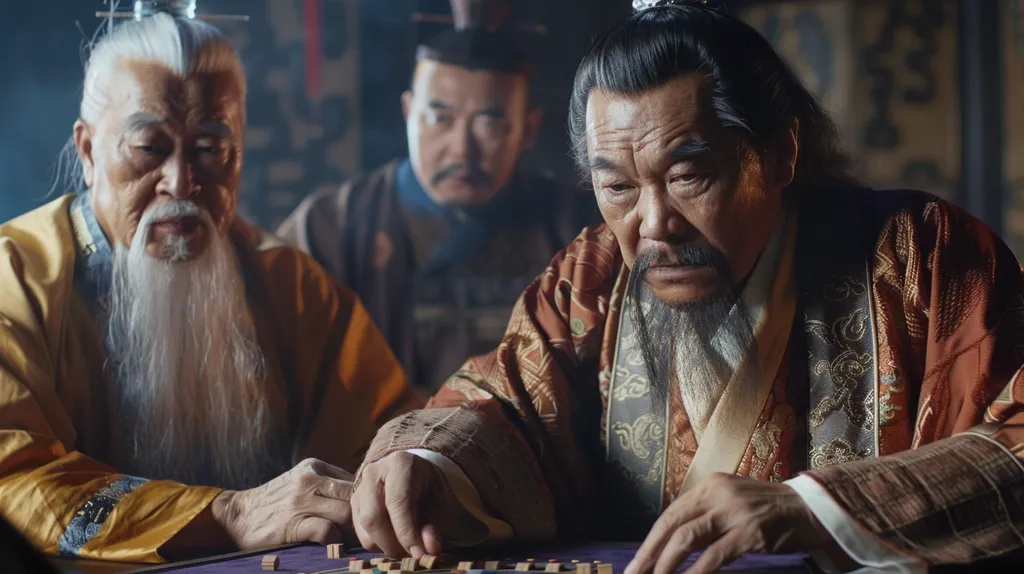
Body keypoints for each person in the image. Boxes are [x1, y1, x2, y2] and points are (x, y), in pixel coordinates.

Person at [347, 2, 1024, 573]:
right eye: (617, 186)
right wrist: (428, 463)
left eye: (687, 176)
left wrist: (820, 506)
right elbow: (508, 409)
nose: (653, 224)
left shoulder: (921, 257)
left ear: (781, 153)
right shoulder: (591, 277)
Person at [0, 12, 422, 563]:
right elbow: (14, 481)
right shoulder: (15, 281)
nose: (181, 183)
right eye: (149, 148)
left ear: (240, 153)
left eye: (208, 148)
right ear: (88, 152)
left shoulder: (292, 287)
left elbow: (389, 434)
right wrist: (229, 514)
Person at [277, 14, 591, 391]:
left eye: (489, 125)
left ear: (529, 128)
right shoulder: (329, 226)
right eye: (440, 119)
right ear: (408, 112)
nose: (461, 149)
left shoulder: (575, 228)